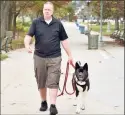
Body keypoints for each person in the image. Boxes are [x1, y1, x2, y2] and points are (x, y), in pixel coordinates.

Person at [24, 1, 73, 115]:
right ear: (43, 10)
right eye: (45, 9)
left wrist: (70, 55)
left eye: (49, 10)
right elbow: (28, 36)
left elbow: (64, 41)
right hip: (39, 57)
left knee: (53, 81)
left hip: (55, 57)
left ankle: (53, 105)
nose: (46, 11)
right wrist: (27, 45)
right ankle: (43, 102)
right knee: (41, 81)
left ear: (52, 11)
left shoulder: (58, 24)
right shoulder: (36, 22)